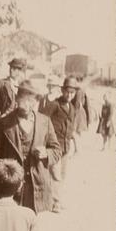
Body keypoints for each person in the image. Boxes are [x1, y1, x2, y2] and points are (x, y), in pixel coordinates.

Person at [0, 80, 61, 214]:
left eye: (32, 101)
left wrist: (46, 153)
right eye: (24, 99)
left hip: (36, 186)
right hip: (10, 187)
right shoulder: (2, 124)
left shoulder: (45, 122)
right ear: (17, 99)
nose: (28, 104)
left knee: (32, 226)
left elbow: (56, 151)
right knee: (11, 228)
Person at [41, 76, 77, 213]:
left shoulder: (72, 107)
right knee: (55, 174)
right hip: (54, 146)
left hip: (66, 147)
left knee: (62, 174)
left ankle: (56, 199)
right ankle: (55, 202)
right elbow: (42, 118)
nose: (69, 95)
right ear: (62, 91)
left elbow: (71, 127)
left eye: (72, 93)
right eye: (67, 91)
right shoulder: (54, 104)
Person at [0, 57, 26, 128]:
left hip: (18, 122)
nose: (11, 70)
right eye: (11, 68)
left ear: (19, 71)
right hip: (4, 119)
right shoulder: (1, 83)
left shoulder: (23, 86)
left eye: (15, 69)